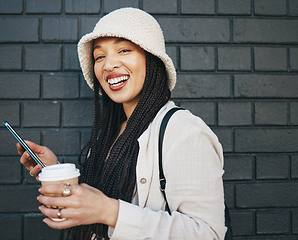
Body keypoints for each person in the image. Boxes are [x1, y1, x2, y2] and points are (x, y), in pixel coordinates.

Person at [17, 7, 227, 240]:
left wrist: (109, 211)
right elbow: (97, 200)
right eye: (99, 56)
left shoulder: (185, 132)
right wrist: (56, 172)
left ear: (152, 59)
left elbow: (208, 234)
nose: (108, 65)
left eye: (124, 50)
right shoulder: (113, 131)